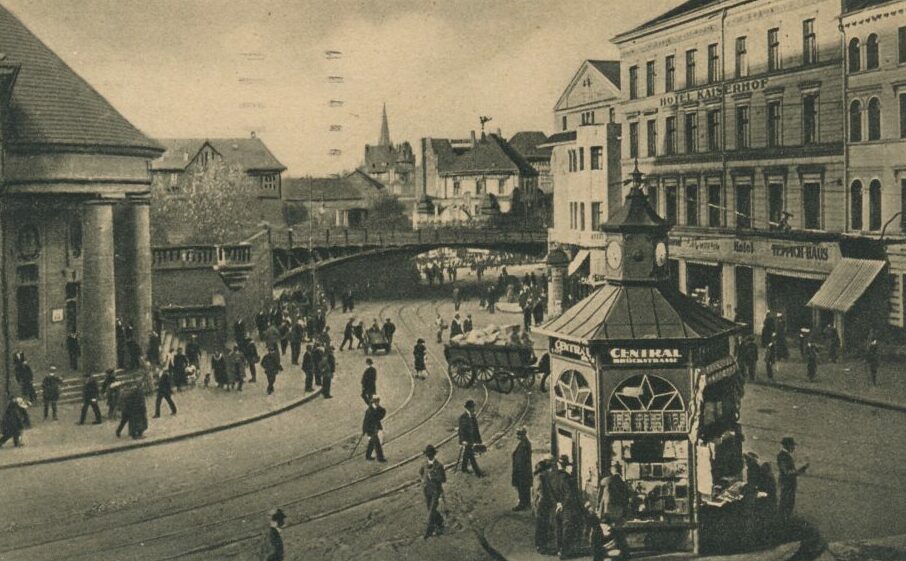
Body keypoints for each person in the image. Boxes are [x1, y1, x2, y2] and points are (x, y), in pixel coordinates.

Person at [551, 455, 582, 559]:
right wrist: (563, 504)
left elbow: (550, 492)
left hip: (556, 506)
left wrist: (557, 503)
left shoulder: (553, 477)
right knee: (567, 530)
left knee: (558, 529)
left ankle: (559, 550)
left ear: (558, 464)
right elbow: (569, 494)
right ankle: (565, 553)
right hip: (567, 508)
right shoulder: (567, 478)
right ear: (566, 465)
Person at [777, 436, 808, 520]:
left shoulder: (784, 455)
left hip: (786, 485)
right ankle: (783, 522)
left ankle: (783, 521)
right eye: (792, 446)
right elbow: (787, 472)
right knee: (786, 505)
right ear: (788, 445)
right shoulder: (783, 456)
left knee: (787, 504)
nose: (793, 448)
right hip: (787, 485)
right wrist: (801, 469)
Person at [420, 444, 447, 539]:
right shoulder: (424, 464)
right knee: (431, 509)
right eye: (428, 454)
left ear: (434, 455)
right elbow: (421, 472)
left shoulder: (439, 466)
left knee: (431, 511)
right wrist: (423, 480)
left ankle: (429, 532)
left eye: (431, 454)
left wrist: (434, 477)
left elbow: (443, 479)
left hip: (436, 491)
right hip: (427, 490)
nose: (429, 456)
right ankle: (440, 522)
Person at [533, 459, 557, 554]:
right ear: (543, 470)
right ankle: (541, 546)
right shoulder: (540, 478)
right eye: (547, 469)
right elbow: (541, 494)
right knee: (541, 526)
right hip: (541, 506)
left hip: (540, 505)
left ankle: (541, 545)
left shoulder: (538, 477)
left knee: (542, 526)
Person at [458, 399, 484, 476]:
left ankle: (464, 468)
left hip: (472, 439)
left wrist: (479, 440)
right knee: (471, 456)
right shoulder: (463, 417)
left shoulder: (473, 415)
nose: (474, 408)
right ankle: (478, 473)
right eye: (472, 407)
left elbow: (476, 428)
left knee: (467, 454)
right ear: (468, 408)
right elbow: (461, 430)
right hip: (467, 440)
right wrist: (463, 440)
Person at [511, 427, 533, 511]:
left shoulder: (524, 444)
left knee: (522, 488)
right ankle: (526, 503)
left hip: (522, 471)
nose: (517, 436)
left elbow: (521, 460)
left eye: (518, 434)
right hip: (524, 470)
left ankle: (522, 504)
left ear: (521, 435)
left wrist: (517, 471)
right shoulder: (525, 442)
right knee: (525, 488)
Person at [362, 395, 386, 462]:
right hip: (371, 429)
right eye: (377, 402)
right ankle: (380, 458)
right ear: (374, 402)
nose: (378, 403)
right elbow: (366, 421)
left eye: (378, 401)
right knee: (377, 443)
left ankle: (368, 456)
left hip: (375, 428)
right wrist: (364, 430)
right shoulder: (369, 411)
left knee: (372, 443)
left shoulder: (377, 408)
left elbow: (383, 412)